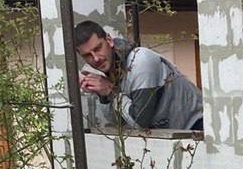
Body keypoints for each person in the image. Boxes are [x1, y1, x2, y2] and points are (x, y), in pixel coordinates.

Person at [74, 21, 203, 133]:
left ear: (109, 40)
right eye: (88, 55)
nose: (96, 58)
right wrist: (103, 93)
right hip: (175, 140)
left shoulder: (140, 61)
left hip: (199, 129)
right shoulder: (111, 70)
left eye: (98, 48)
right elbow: (119, 122)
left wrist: (110, 91)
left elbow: (140, 123)